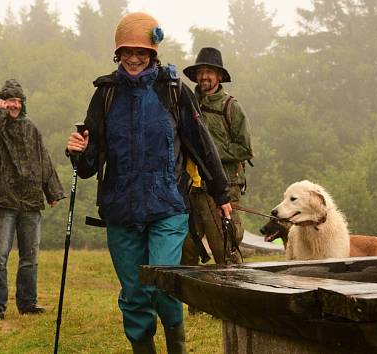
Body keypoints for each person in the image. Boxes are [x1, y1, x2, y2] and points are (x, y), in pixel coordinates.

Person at [65, 13, 231, 354]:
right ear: (118, 53)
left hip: (167, 207)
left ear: (153, 53)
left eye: (142, 52)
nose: (135, 58)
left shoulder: (174, 92)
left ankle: (177, 347)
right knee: (135, 295)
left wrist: (221, 194)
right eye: (128, 51)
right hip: (120, 210)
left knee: (163, 284)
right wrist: (78, 152)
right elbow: (90, 167)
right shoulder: (106, 95)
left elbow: (202, 145)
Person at [0, 79, 65, 320]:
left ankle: (28, 303)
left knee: (30, 257)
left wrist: (53, 191)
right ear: (0, 103)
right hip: (2, 201)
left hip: (30, 201)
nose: (15, 105)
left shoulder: (31, 128)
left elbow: (44, 159)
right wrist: (0, 115)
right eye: (10, 101)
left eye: (18, 101)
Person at [181, 47, 254, 267]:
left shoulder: (231, 107)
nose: (204, 76)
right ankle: (193, 301)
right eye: (201, 71)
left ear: (219, 76)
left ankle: (229, 299)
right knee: (186, 249)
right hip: (191, 188)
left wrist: (208, 154)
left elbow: (245, 149)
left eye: (209, 72)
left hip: (224, 189)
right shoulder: (186, 104)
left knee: (224, 250)